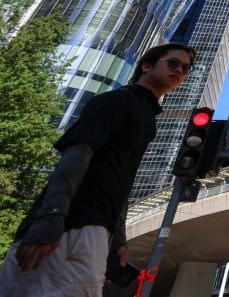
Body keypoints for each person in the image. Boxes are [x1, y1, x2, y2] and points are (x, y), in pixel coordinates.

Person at [0, 42, 193, 297]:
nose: (179, 70)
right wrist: (52, 216)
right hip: (69, 227)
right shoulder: (119, 100)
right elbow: (78, 153)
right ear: (146, 65)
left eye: (186, 68)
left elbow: (121, 181)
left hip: (95, 232)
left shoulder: (147, 118)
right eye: (173, 63)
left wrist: (118, 238)